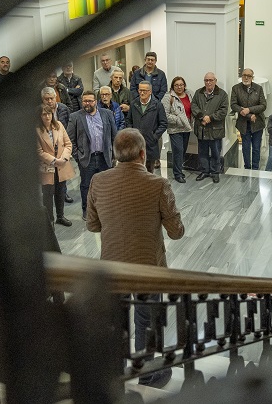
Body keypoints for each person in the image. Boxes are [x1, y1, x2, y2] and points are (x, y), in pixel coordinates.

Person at [85, 128, 184, 387]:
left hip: (111, 267)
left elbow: (92, 226)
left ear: (116, 155)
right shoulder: (158, 184)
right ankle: (148, 376)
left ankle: (114, 375)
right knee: (146, 322)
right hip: (147, 268)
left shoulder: (98, 181)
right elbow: (176, 233)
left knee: (115, 321)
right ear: (143, 154)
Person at [66, 91, 117, 221]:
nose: (87, 103)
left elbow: (114, 136)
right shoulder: (75, 117)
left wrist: (114, 154)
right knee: (86, 185)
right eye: (84, 101)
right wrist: (78, 156)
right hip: (87, 158)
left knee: (106, 185)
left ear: (95, 101)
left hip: (104, 157)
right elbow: (69, 139)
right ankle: (86, 210)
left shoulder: (107, 114)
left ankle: (106, 210)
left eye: (90, 101)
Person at [36, 104, 75, 227]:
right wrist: (54, 160)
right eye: (44, 114)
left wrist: (64, 158)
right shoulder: (36, 130)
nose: (47, 116)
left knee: (61, 192)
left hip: (61, 165)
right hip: (47, 167)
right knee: (48, 195)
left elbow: (68, 144)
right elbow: (38, 151)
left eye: (49, 113)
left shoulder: (59, 125)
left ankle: (60, 216)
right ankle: (50, 220)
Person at [191, 72, 228, 183]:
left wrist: (210, 118)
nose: (208, 82)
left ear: (215, 81)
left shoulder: (222, 94)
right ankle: (204, 171)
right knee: (202, 152)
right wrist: (202, 117)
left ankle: (215, 172)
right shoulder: (198, 93)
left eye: (211, 80)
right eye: (206, 80)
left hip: (215, 129)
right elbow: (194, 106)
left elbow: (223, 111)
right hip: (201, 129)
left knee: (216, 152)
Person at [126, 81, 168, 174]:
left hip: (150, 143)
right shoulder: (134, 104)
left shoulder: (157, 105)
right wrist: (132, 133)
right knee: (136, 170)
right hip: (136, 143)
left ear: (150, 91)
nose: (142, 93)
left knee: (149, 171)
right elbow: (129, 121)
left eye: (145, 90)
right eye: (140, 90)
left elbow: (163, 123)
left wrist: (154, 136)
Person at [41, 87, 74, 203]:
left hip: (61, 149)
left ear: (56, 98)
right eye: (47, 99)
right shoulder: (38, 113)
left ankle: (63, 198)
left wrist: (65, 155)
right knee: (48, 191)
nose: (50, 101)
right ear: (42, 100)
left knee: (61, 183)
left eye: (52, 98)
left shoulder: (64, 108)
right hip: (47, 157)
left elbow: (68, 128)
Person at [231, 68, 267, 170]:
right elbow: (233, 105)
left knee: (256, 148)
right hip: (243, 124)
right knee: (245, 148)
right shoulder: (236, 88)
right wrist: (248, 115)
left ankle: (255, 168)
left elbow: (263, 105)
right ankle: (247, 168)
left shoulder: (258, 88)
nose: (246, 77)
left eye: (248, 76)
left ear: (252, 77)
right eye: (244, 75)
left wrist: (250, 110)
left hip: (257, 123)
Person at [162, 76, 193, 182]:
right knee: (178, 151)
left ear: (184, 85)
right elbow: (164, 115)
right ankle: (177, 174)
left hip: (187, 128)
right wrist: (178, 120)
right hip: (175, 129)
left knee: (183, 151)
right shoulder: (168, 97)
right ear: (172, 86)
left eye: (181, 85)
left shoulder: (189, 94)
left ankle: (179, 170)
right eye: (176, 85)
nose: (179, 87)